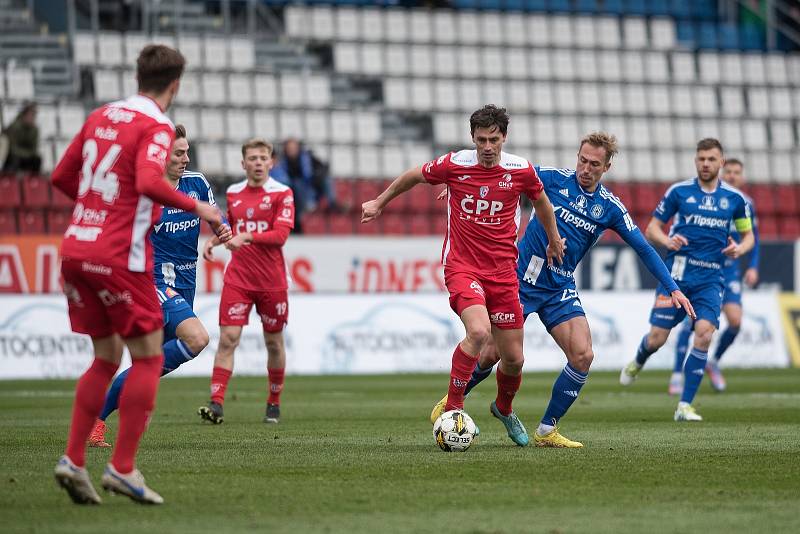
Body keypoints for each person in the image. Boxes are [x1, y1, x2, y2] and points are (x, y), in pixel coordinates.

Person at [429, 132, 695, 448]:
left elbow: (644, 247)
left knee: (583, 355)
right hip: (517, 281)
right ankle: (453, 403)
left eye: (594, 164)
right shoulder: (552, 179)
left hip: (559, 286)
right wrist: (460, 184)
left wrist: (672, 288)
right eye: (582, 160)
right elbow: (502, 174)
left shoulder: (609, 207)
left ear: (606, 166)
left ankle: (546, 429)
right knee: (491, 354)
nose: (585, 168)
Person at [50, 45, 226, 505]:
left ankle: (72, 458)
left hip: (76, 248)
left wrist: (98, 209)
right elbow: (149, 184)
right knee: (150, 357)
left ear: (137, 75)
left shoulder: (101, 116)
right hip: (120, 258)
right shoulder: (155, 126)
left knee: (106, 357)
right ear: (175, 85)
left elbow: (62, 178)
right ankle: (122, 469)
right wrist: (197, 207)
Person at [362, 105, 564, 447]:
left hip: (503, 272)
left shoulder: (520, 170)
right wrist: (380, 203)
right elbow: (414, 175)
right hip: (463, 266)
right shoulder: (455, 164)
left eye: (494, 140)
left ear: (504, 138)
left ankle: (503, 408)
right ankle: (453, 410)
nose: (487, 147)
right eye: (481, 139)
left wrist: (554, 238)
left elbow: (542, 202)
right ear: (473, 138)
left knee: (513, 359)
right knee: (479, 332)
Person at [87, 125, 232, 447]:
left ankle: (98, 420)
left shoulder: (197, 183)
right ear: (162, 155)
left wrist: (223, 233)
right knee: (197, 338)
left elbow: (216, 219)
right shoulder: (145, 193)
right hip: (153, 284)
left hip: (186, 282)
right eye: (179, 153)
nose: (186, 158)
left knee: (148, 365)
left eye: (187, 152)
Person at [620, 139, 754, 422]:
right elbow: (651, 229)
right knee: (657, 339)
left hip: (710, 279)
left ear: (721, 162)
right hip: (677, 277)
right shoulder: (678, 192)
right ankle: (639, 359)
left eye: (711, 159)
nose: (705, 163)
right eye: (701, 158)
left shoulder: (735, 200)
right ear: (696, 161)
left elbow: (748, 236)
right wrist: (667, 240)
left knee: (704, 333)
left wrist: (739, 249)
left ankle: (684, 406)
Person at [198, 138, 294, 425]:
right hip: (238, 278)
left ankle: (273, 403)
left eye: (263, 158)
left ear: (271, 162)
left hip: (272, 281)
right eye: (252, 158)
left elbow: (280, 236)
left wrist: (247, 237)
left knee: (274, 343)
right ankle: (216, 404)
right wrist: (216, 239)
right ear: (243, 163)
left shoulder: (282, 193)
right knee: (228, 339)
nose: (258, 163)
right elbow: (233, 227)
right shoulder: (234, 192)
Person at [669, 158, 759, 395]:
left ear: (741, 177)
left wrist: (753, 266)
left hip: (728, 269)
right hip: (703, 268)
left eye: (736, 173)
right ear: (722, 171)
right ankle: (678, 373)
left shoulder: (744, 203)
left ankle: (713, 361)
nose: (731, 176)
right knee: (693, 322)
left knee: (736, 322)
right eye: (728, 171)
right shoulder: (705, 199)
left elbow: (753, 237)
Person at [271, 137, 337, 233]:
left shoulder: (308, 157)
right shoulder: (282, 162)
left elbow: (322, 168)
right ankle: (302, 213)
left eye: (293, 148)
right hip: (293, 192)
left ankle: (332, 204)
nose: (291, 151)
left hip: (309, 188)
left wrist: (317, 176)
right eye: (289, 148)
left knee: (326, 180)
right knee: (296, 187)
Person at [1, 101, 41, 173]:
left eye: (34, 116)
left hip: (26, 155)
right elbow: (13, 148)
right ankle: (9, 180)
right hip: (14, 155)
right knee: (14, 159)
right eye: (30, 115)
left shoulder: (34, 130)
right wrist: (26, 154)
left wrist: (28, 155)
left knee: (37, 160)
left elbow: (34, 148)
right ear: (24, 115)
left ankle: (34, 182)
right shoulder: (15, 127)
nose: (32, 118)